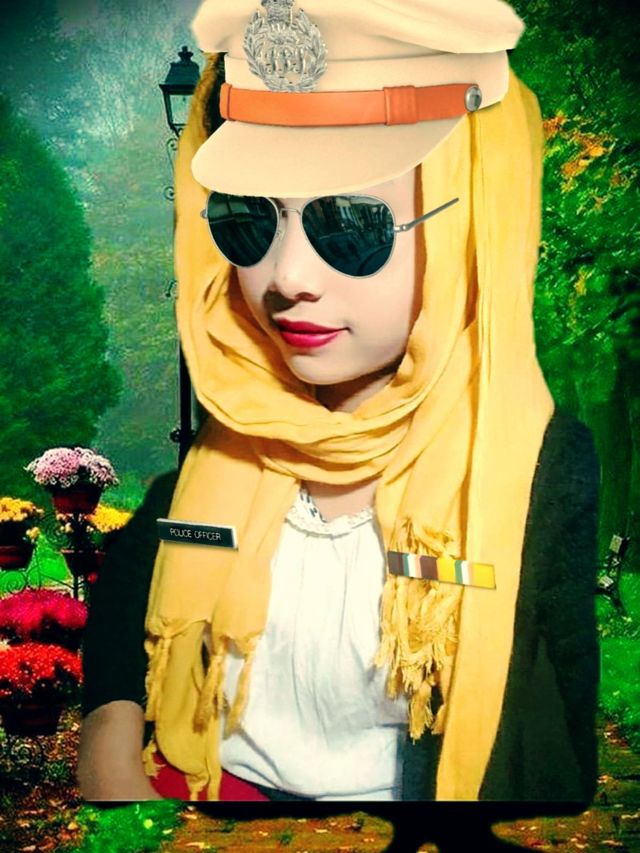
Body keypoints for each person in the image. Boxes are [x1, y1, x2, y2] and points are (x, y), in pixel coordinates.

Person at [77, 0, 600, 848]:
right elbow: (134, 583)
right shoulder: (226, 448)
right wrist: (109, 736)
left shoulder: (540, 468)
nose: (287, 276)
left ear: (469, 224)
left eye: (349, 224)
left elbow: (558, 723)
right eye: (250, 220)